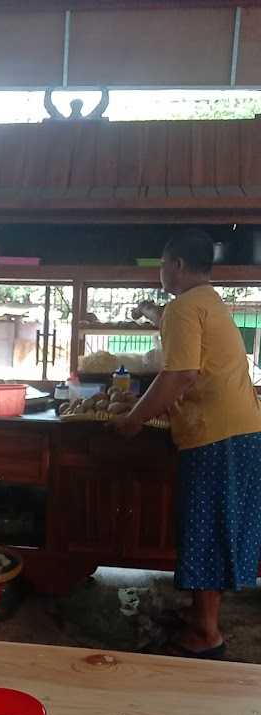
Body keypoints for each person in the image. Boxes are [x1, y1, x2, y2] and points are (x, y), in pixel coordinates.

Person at [115, 229, 261, 659]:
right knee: (219, 526)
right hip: (244, 430)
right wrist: (150, 313)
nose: (161, 272)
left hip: (216, 435)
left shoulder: (183, 308)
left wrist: (133, 419)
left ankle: (206, 633)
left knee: (205, 528)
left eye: (162, 265)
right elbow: (188, 351)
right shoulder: (208, 302)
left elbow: (180, 375)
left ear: (176, 265)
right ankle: (204, 620)